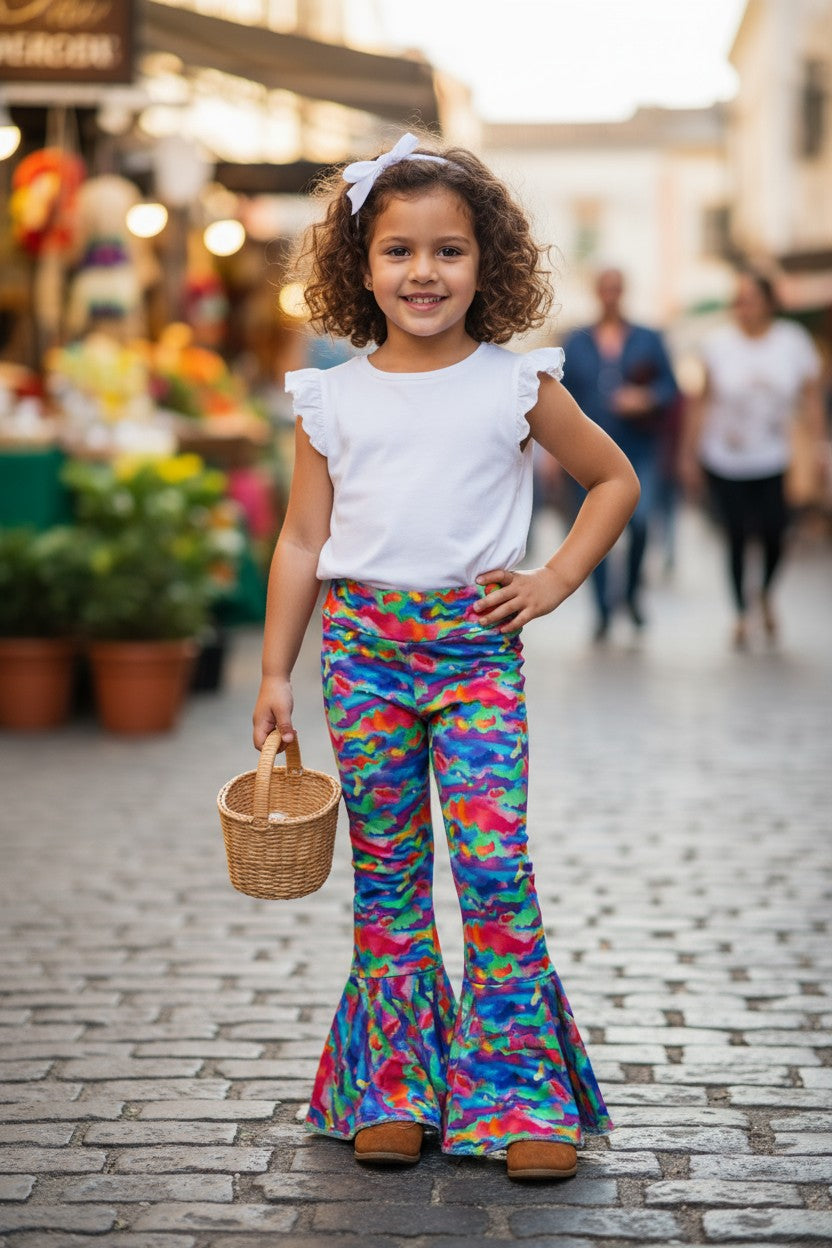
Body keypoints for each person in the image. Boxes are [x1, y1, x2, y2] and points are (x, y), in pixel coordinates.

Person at [252, 133, 639, 1181]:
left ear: (489, 263)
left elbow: (613, 481)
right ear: (359, 267)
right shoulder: (328, 399)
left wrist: (552, 582)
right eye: (397, 252)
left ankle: (518, 1097)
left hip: (475, 656)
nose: (423, 273)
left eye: (449, 252)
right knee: (388, 877)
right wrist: (274, 672)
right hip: (361, 654)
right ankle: (393, 1088)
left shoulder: (518, 384)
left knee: (493, 868)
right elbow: (299, 541)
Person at [681, 269, 824, 648]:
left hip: (776, 456)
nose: (742, 306)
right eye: (738, 299)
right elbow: (701, 401)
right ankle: (743, 614)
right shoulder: (717, 344)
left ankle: (764, 591)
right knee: (738, 536)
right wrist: (690, 454)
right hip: (725, 458)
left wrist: (820, 448)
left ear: (769, 302)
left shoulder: (792, 342)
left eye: (750, 298)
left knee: (777, 533)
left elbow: (811, 398)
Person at [561, 268, 679, 639]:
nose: (610, 295)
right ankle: (602, 610)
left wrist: (647, 398)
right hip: (585, 455)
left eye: (616, 288)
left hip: (638, 449)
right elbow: (559, 399)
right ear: (597, 292)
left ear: (623, 292)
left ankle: (629, 593)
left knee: (641, 522)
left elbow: (671, 388)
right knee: (591, 533)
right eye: (605, 288)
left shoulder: (649, 338)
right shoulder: (576, 341)